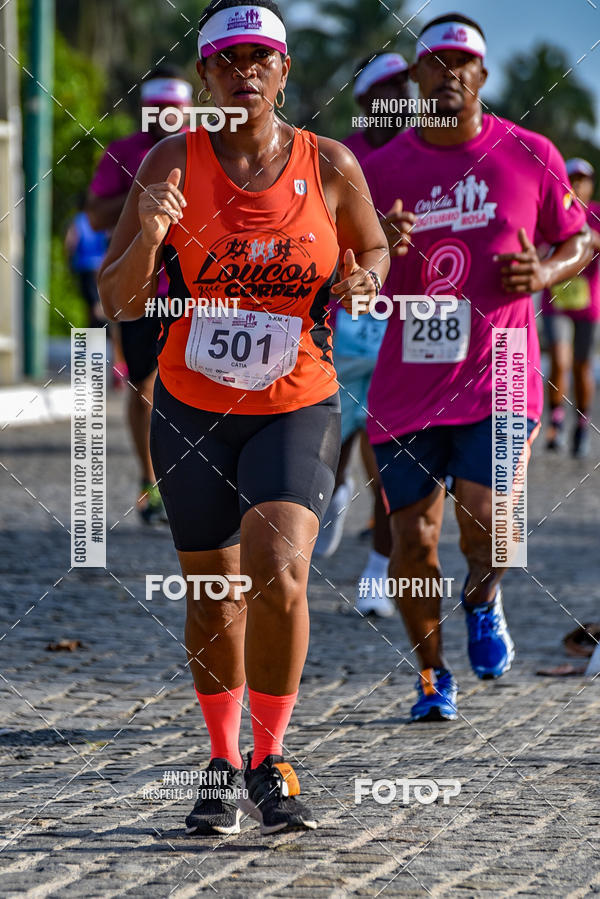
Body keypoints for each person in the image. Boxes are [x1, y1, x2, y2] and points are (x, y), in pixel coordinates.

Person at [98, 0, 388, 835]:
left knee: (279, 567)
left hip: (295, 401)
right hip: (192, 407)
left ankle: (273, 758)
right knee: (214, 595)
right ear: (206, 76)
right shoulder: (171, 161)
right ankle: (222, 760)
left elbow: (372, 246)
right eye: (228, 60)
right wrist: (149, 236)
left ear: (284, 71)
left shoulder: (329, 163)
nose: (245, 72)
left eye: (261, 57)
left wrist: (365, 278)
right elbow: (118, 299)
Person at [362, 13, 592, 721]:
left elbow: (582, 239)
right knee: (412, 539)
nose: (450, 72)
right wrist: (376, 246)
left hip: (502, 371)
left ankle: (483, 596)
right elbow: (344, 275)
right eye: (436, 60)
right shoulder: (379, 169)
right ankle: (433, 676)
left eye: (463, 62)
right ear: (416, 76)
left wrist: (545, 271)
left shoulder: (530, 153)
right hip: (406, 383)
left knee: (488, 523)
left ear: (483, 76)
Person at [315, 53, 410, 619]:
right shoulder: (337, 159)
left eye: (408, 85)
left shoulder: (429, 155)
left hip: (400, 335)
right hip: (338, 331)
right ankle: (334, 491)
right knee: (331, 452)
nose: (404, 95)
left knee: (390, 464)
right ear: (366, 99)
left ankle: (378, 572)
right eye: (391, 87)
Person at [88, 65, 193, 524]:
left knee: (201, 381)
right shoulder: (123, 152)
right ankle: (151, 483)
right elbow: (95, 215)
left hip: (197, 289)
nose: (168, 119)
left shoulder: (206, 149)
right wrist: (144, 195)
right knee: (144, 386)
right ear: (145, 110)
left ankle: (197, 479)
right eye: (160, 110)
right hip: (141, 289)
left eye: (176, 111)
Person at [541, 158, 600, 458]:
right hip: (556, 303)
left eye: (582, 179)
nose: (576, 184)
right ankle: (556, 422)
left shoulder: (597, 214)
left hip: (587, 305)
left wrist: (585, 236)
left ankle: (582, 424)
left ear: (591, 184)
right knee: (559, 360)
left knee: (581, 366)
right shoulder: (549, 211)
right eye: (571, 178)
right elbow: (537, 247)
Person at [65, 195, 108, 329]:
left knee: (93, 306)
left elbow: (70, 242)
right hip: (101, 266)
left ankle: (104, 333)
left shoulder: (78, 220)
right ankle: (98, 336)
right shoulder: (101, 219)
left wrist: (69, 263)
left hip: (85, 267)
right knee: (97, 303)